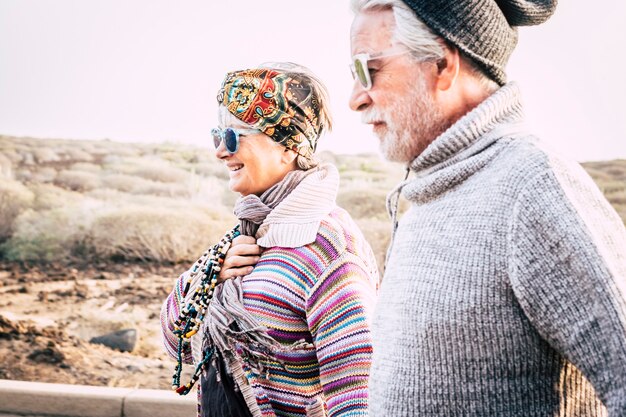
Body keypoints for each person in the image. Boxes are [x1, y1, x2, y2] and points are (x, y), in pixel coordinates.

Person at [347, 0, 626, 416]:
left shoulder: (533, 187)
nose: (355, 98)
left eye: (367, 69)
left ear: (443, 64)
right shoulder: (428, 193)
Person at [161, 62, 379, 417]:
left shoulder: (328, 249)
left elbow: (358, 394)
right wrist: (205, 278)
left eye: (233, 137)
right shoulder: (243, 237)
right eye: (217, 136)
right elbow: (178, 348)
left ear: (287, 146)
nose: (220, 151)